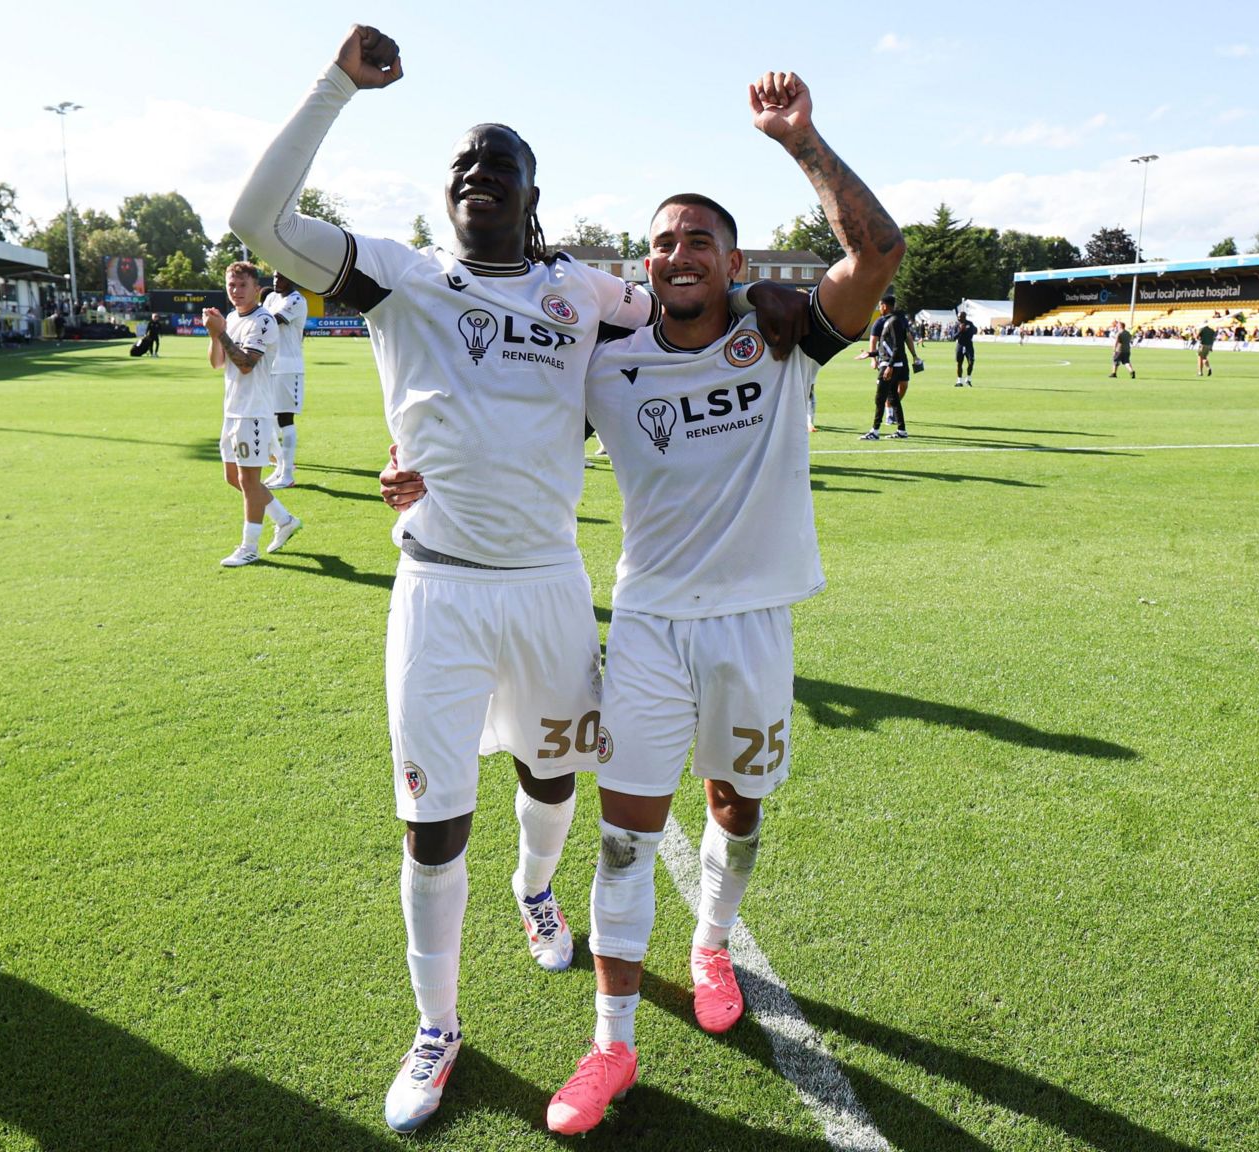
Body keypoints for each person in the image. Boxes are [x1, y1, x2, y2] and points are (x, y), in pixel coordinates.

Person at [228, 24, 807, 1134]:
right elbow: (256, 224)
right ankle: (436, 1028)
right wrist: (336, 87)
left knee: (552, 788)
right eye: (461, 165)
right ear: (442, 196)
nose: (477, 175)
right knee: (430, 826)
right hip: (435, 591)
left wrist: (755, 304)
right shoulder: (397, 276)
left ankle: (535, 892)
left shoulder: (586, 293)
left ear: (532, 196)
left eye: (500, 165)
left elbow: (685, 313)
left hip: (547, 587)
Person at [380, 71, 899, 1137]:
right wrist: (415, 466)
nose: (678, 253)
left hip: (754, 625)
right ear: (645, 263)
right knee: (621, 840)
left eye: (700, 239)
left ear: (734, 264)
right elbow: (499, 419)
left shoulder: (786, 338)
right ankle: (609, 1046)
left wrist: (799, 142)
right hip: (649, 627)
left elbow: (877, 256)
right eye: (663, 241)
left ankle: (710, 943)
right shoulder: (604, 367)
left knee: (734, 810)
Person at [205, 261, 300, 567]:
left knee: (249, 481)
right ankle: (284, 520)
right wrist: (214, 334)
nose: (236, 291)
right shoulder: (231, 317)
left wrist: (222, 334)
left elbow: (246, 364)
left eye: (242, 285)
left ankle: (249, 547)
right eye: (231, 285)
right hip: (232, 410)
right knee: (234, 478)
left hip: (254, 412)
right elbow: (217, 363)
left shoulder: (263, 321)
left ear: (257, 289)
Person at [263, 271, 308, 488]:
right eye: (274, 277)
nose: (275, 281)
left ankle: (288, 475)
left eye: (280, 277)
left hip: (289, 367)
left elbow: (272, 322)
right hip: (270, 365)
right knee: (270, 417)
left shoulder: (296, 300)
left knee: (285, 419)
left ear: (291, 278)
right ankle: (280, 468)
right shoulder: (271, 298)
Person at [864, 292, 911, 439]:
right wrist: (870, 354)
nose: (879, 308)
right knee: (893, 398)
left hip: (889, 365)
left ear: (885, 306)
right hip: (889, 363)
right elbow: (886, 347)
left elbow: (898, 346)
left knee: (880, 398)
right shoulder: (888, 321)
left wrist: (890, 366)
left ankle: (874, 431)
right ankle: (902, 430)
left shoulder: (894, 321)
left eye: (880, 306)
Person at [954, 309, 976, 386]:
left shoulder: (970, 323)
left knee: (971, 362)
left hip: (968, 345)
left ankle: (968, 379)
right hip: (960, 345)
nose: (958, 318)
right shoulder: (957, 325)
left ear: (964, 317)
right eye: (958, 317)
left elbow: (973, 332)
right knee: (959, 363)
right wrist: (960, 330)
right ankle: (959, 381)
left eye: (960, 317)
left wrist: (966, 330)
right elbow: (953, 337)